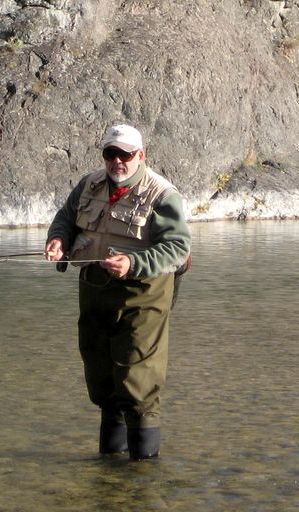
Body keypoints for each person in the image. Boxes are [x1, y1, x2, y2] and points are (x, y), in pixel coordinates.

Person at [45, 123, 191, 460]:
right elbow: (65, 218)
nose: (117, 161)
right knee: (102, 379)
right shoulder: (89, 184)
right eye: (110, 154)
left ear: (140, 156)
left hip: (144, 295)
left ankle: (143, 474)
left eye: (125, 154)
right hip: (95, 291)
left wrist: (134, 264)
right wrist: (58, 240)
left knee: (137, 381)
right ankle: (110, 471)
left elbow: (178, 250)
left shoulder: (163, 195)